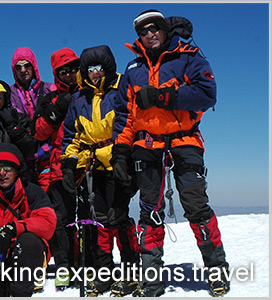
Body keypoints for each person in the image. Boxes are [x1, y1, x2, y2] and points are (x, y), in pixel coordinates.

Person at [113, 9, 228, 297]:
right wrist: (120, 149)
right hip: (146, 146)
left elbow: (207, 92)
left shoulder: (188, 57)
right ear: (138, 36)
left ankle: (217, 271)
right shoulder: (132, 69)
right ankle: (152, 281)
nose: (150, 34)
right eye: (143, 31)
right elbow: (125, 116)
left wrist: (165, 97)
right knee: (149, 213)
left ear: (165, 29)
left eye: (155, 28)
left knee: (196, 207)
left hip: (184, 141)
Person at [60, 45, 140, 296]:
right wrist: (69, 164)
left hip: (117, 164)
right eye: (90, 69)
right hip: (92, 167)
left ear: (108, 67)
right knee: (101, 222)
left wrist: (122, 159)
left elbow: (127, 124)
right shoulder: (79, 98)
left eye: (100, 68)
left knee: (119, 218)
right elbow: (72, 136)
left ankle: (131, 273)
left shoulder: (120, 89)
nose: (95, 73)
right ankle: (105, 274)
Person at [0, 143, 56, 297]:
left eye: (8, 168)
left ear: (17, 171)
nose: (2, 173)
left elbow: (48, 224)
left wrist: (15, 228)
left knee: (29, 240)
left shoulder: (33, 193)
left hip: (21, 264)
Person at [32, 48, 80, 291]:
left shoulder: (89, 92)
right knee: (61, 220)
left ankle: (88, 265)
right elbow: (38, 131)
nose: (70, 75)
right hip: (59, 166)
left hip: (88, 162)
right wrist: (58, 108)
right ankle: (64, 266)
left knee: (91, 217)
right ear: (56, 73)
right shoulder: (50, 98)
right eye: (64, 71)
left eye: (73, 69)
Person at [10, 47, 54, 188]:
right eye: (19, 67)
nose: (23, 70)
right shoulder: (9, 93)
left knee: (48, 200)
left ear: (34, 66)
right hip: (23, 157)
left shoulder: (50, 89)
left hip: (48, 156)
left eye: (27, 65)